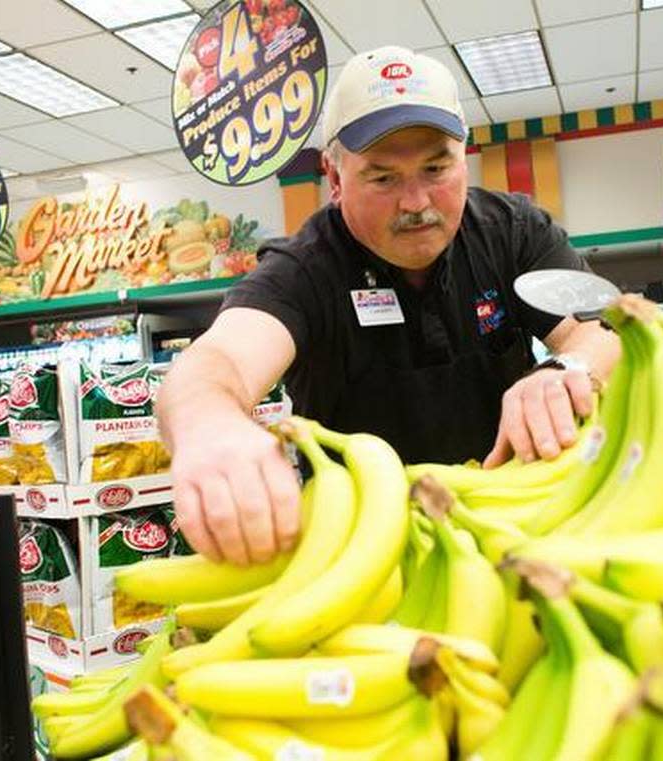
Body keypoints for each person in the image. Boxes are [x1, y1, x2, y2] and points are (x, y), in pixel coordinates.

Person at [158, 45, 620, 565]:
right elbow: (218, 361)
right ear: (335, 179)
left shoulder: (512, 233)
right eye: (383, 178)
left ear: (462, 160)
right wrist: (209, 425)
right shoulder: (305, 268)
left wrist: (568, 367)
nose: (416, 203)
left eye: (435, 168)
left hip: (514, 528)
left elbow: (607, 328)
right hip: (358, 553)